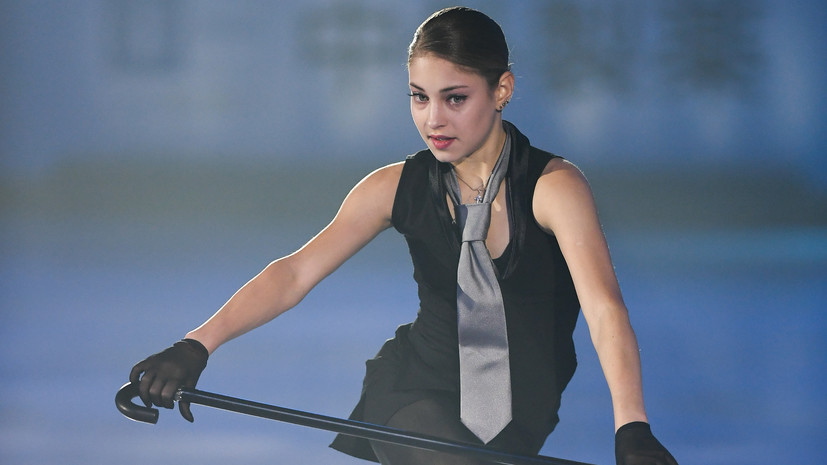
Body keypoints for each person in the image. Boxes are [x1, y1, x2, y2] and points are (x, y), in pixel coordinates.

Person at [129, 7, 678, 465]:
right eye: (419, 96)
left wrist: (631, 425)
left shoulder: (554, 188)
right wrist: (196, 344)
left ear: (502, 89)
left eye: (455, 98)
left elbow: (604, 309)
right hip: (414, 390)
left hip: (522, 412)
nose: (433, 119)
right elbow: (295, 272)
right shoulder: (392, 187)